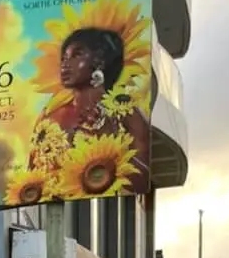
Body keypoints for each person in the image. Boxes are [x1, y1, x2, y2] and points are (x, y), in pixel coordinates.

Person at [29, 27, 150, 190]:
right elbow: (31, 184)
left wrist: (112, 146)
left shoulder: (126, 112)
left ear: (99, 61)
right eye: (64, 57)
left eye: (76, 55)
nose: (65, 63)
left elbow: (144, 183)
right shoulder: (49, 121)